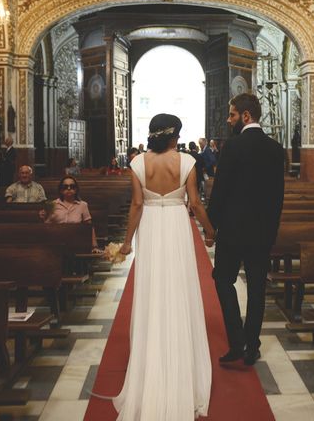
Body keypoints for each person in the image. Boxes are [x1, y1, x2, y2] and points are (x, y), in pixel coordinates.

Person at [107, 114, 215, 419]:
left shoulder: (138, 163)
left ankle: (150, 366)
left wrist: (128, 242)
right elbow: (195, 204)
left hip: (151, 227)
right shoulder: (187, 162)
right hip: (177, 226)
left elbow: (137, 205)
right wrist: (210, 230)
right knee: (178, 288)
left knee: (153, 291)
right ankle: (182, 370)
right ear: (173, 136)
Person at [207, 93, 285, 366]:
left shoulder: (233, 147)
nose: (229, 121)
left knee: (222, 280)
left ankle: (236, 341)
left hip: (232, 231)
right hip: (262, 233)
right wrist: (271, 232)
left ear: (246, 116)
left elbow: (221, 191)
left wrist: (210, 226)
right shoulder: (276, 149)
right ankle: (252, 345)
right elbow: (278, 197)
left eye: (232, 115)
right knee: (256, 289)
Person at [41, 176, 99, 252]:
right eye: (65, 186)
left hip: (76, 243)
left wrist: (94, 246)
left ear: (76, 189)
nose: (69, 188)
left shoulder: (83, 205)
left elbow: (89, 227)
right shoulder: (53, 204)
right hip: (57, 244)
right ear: (61, 190)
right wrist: (44, 217)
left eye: (72, 186)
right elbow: (47, 227)